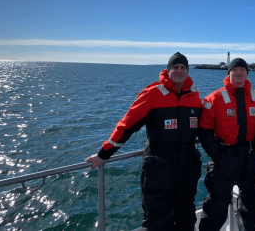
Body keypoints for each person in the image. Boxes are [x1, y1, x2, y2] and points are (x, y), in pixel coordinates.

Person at [84, 52, 202, 231]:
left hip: (187, 166)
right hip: (159, 166)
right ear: (168, 70)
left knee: (186, 217)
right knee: (157, 220)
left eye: (183, 67)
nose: (179, 71)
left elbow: (205, 125)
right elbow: (126, 125)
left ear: (187, 71)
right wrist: (104, 154)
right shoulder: (152, 94)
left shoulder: (193, 95)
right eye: (175, 67)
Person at [198, 58, 255, 231]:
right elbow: (204, 131)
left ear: (247, 74)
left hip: (249, 160)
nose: (238, 73)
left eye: (242, 70)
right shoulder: (214, 98)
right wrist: (218, 155)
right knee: (216, 206)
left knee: (252, 205)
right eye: (234, 70)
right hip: (223, 158)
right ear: (228, 74)